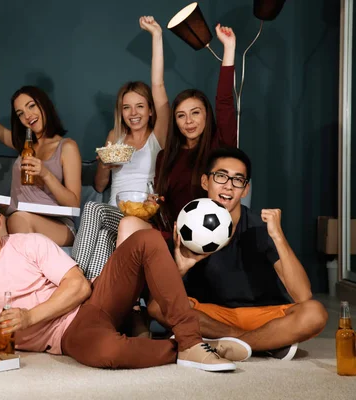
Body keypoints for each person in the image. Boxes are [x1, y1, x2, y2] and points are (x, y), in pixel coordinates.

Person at [0, 190, 252, 371]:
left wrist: (29, 317)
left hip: (92, 303)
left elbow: (79, 286)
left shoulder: (28, 244)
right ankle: (195, 347)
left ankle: (191, 339)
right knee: (107, 353)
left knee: (146, 239)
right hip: (67, 337)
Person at [148, 147, 329, 360]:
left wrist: (278, 236)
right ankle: (258, 342)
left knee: (315, 313)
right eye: (221, 176)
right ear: (206, 182)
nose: (228, 186)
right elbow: (158, 302)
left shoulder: (259, 227)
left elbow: (303, 296)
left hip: (261, 314)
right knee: (158, 306)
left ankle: (217, 344)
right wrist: (181, 268)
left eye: (237, 180)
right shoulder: (190, 221)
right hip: (210, 315)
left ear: (245, 190)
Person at [117, 23, 238, 244]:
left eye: (195, 113)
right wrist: (155, 202)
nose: (188, 121)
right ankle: (104, 279)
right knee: (126, 224)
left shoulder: (219, 148)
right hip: (171, 235)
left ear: (206, 116)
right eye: (181, 115)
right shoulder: (166, 156)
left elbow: (225, 103)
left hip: (204, 234)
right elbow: (164, 204)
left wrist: (229, 49)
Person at [73, 16, 168, 280]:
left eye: (140, 106)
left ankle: (71, 279)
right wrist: (105, 163)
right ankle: (87, 290)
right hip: (115, 214)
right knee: (103, 238)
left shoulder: (157, 137)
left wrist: (156, 37)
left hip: (143, 217)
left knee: (91, 209)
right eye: (127, 107)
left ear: (150, 111)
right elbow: (101, 186)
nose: (133, 113)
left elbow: (158, 86)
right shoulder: (115, 136)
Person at [0, 59, 82, 253]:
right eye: (20, 113)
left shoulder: (66, 147)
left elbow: (74, 203)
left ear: (44, 105)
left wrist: (46, 173)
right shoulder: (24, 146)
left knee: (17, 219)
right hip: (19, 218)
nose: (27, 115)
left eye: (31, 106)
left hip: (58, 226)